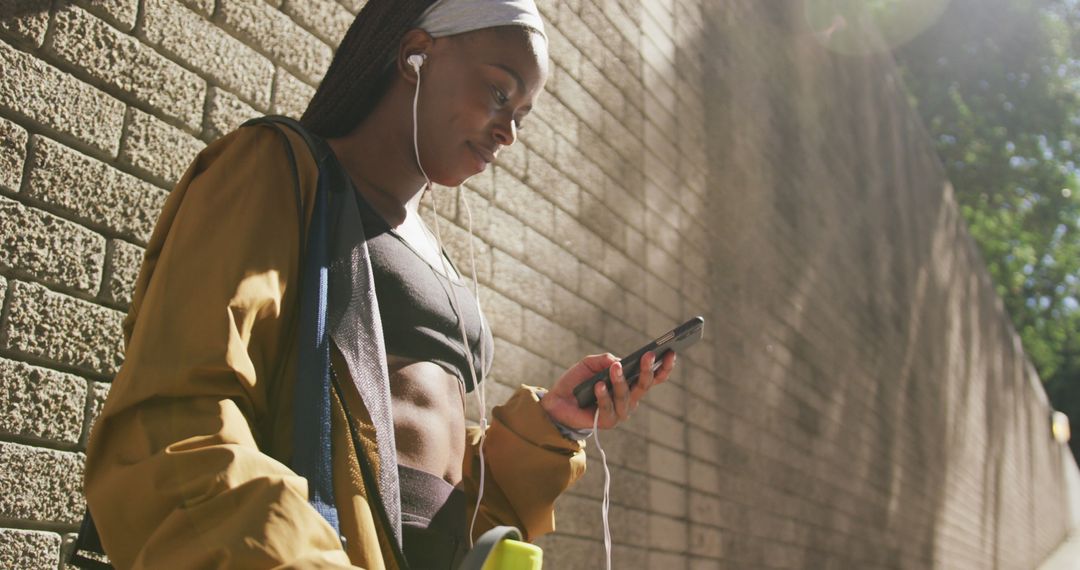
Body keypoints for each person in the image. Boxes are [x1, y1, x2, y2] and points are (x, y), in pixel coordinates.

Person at [83, 0, 677, 568]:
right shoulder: (278, 168)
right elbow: (177, 421)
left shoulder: (435, 252)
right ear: (415, 53)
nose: (508, 134)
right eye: (500, 93)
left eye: (521, 116)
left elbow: (430, 493)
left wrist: (548, 428)